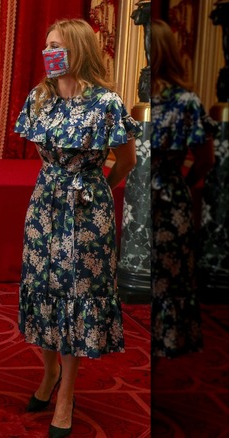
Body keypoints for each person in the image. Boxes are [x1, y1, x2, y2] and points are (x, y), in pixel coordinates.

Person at [13, 18, 140, 437]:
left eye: (59, 46)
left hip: (87, 212)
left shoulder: (106, 103)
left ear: (79, 50)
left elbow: (126, 160)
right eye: (48, 45)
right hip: (45, 204)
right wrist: (58, 182)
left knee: (75, 295)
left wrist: (97, 186)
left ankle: (66, 393)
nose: (50, 53)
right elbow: (41, 152)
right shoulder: (39, 97)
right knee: (45, 290)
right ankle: (49, 375)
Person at [150, 19, 214, 358]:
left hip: (168, 200)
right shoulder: (139, 100)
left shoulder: (186, 101)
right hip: (141, 200)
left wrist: (182, 185)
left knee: (167, 279)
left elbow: (205, 157)